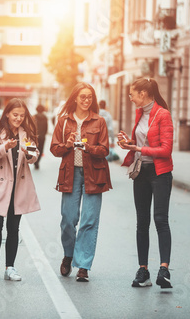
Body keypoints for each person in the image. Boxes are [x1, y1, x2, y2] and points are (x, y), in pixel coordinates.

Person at [50, 82, 112, 282]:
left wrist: (88, 148)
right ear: (75, 98)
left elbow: (104, 150)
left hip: (94, 175)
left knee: (89, 220)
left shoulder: (99, 121)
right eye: (83, 97)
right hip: (70, 174)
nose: (86, 100)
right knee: (68, 219)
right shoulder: (64, 121)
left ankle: (83, 265)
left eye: (90, 97)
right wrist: (67, 145)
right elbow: (54, 149)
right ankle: (69, 254)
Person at [117, 77, 174, 289]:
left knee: (160, 220)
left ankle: (164, 270)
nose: (130, 97)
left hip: (160, 174)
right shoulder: (140, 113)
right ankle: (143, 270)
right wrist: (130, 143)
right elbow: (143, 141)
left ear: (143, 94)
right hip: (141, 172)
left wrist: (138, 149)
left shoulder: (163, 115)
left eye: (133, 93)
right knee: (142, 222)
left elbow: (166, 150)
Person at [0, 98, 41, 281]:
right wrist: (4, 147)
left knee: (13, 228)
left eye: (22, 116)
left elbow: (34, 154)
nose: (18, 119)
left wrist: (30, 153)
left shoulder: (26, 132)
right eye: (15, 115)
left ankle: (10, 267)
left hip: (18, 184)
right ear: (7, 113)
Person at [34, 104, 48, 169]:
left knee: (34, 149)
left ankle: (35, 161)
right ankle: (37, 162)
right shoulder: (45, 117)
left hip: (35, 136)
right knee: (41, 149)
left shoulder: (34, 117)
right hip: (42, 136)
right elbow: (46, 128)